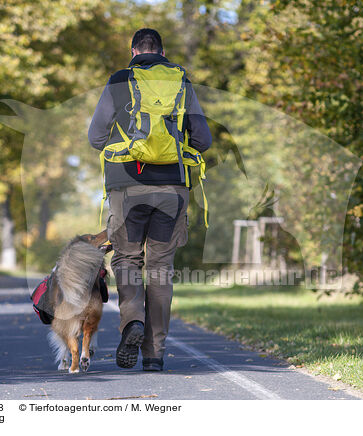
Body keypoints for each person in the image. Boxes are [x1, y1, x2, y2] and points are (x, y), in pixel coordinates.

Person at [88, 28, 212, 371]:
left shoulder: (120, 80)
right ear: (161, 51)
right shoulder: (180, 80)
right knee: (160, 270)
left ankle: (132, 322)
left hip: (126, 187)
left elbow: (96, 137)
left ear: (133, 51)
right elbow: (202, 139)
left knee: (126, 260)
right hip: (173, 188)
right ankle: (154, 354)